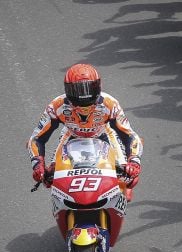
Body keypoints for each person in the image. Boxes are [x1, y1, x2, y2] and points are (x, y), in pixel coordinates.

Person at [27, 64, 143, 196]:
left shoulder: (110, 104)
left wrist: (133, 161)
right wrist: (38, 165)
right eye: (77, 90)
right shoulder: (56, 106)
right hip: (71, 136)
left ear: (98, 86)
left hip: (104, 134)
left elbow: (130, 136)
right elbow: (36, 139)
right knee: (49, 180)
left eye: (89, 88)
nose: (84, 95)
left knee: (127, 183)